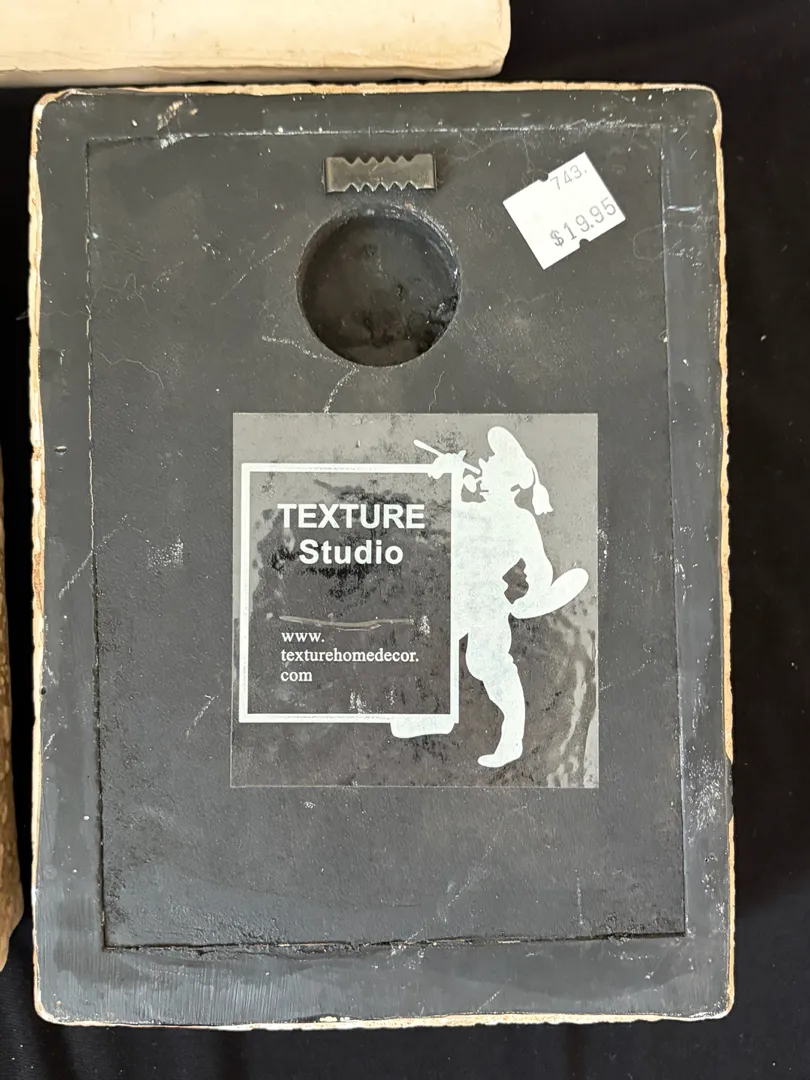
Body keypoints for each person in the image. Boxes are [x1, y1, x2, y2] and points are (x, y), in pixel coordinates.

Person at [411, 426, 587, 768]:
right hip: (452, 596)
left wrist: (536, 595)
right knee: (426, 642)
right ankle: (426, 716)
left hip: (486, 600)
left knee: (487, 663)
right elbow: (445, 521)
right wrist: (449, 478)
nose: (482, 463)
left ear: (505, 479)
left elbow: (539, 566)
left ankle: (512, 740)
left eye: (490, 462)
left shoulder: (517, 520)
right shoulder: (478, 507)